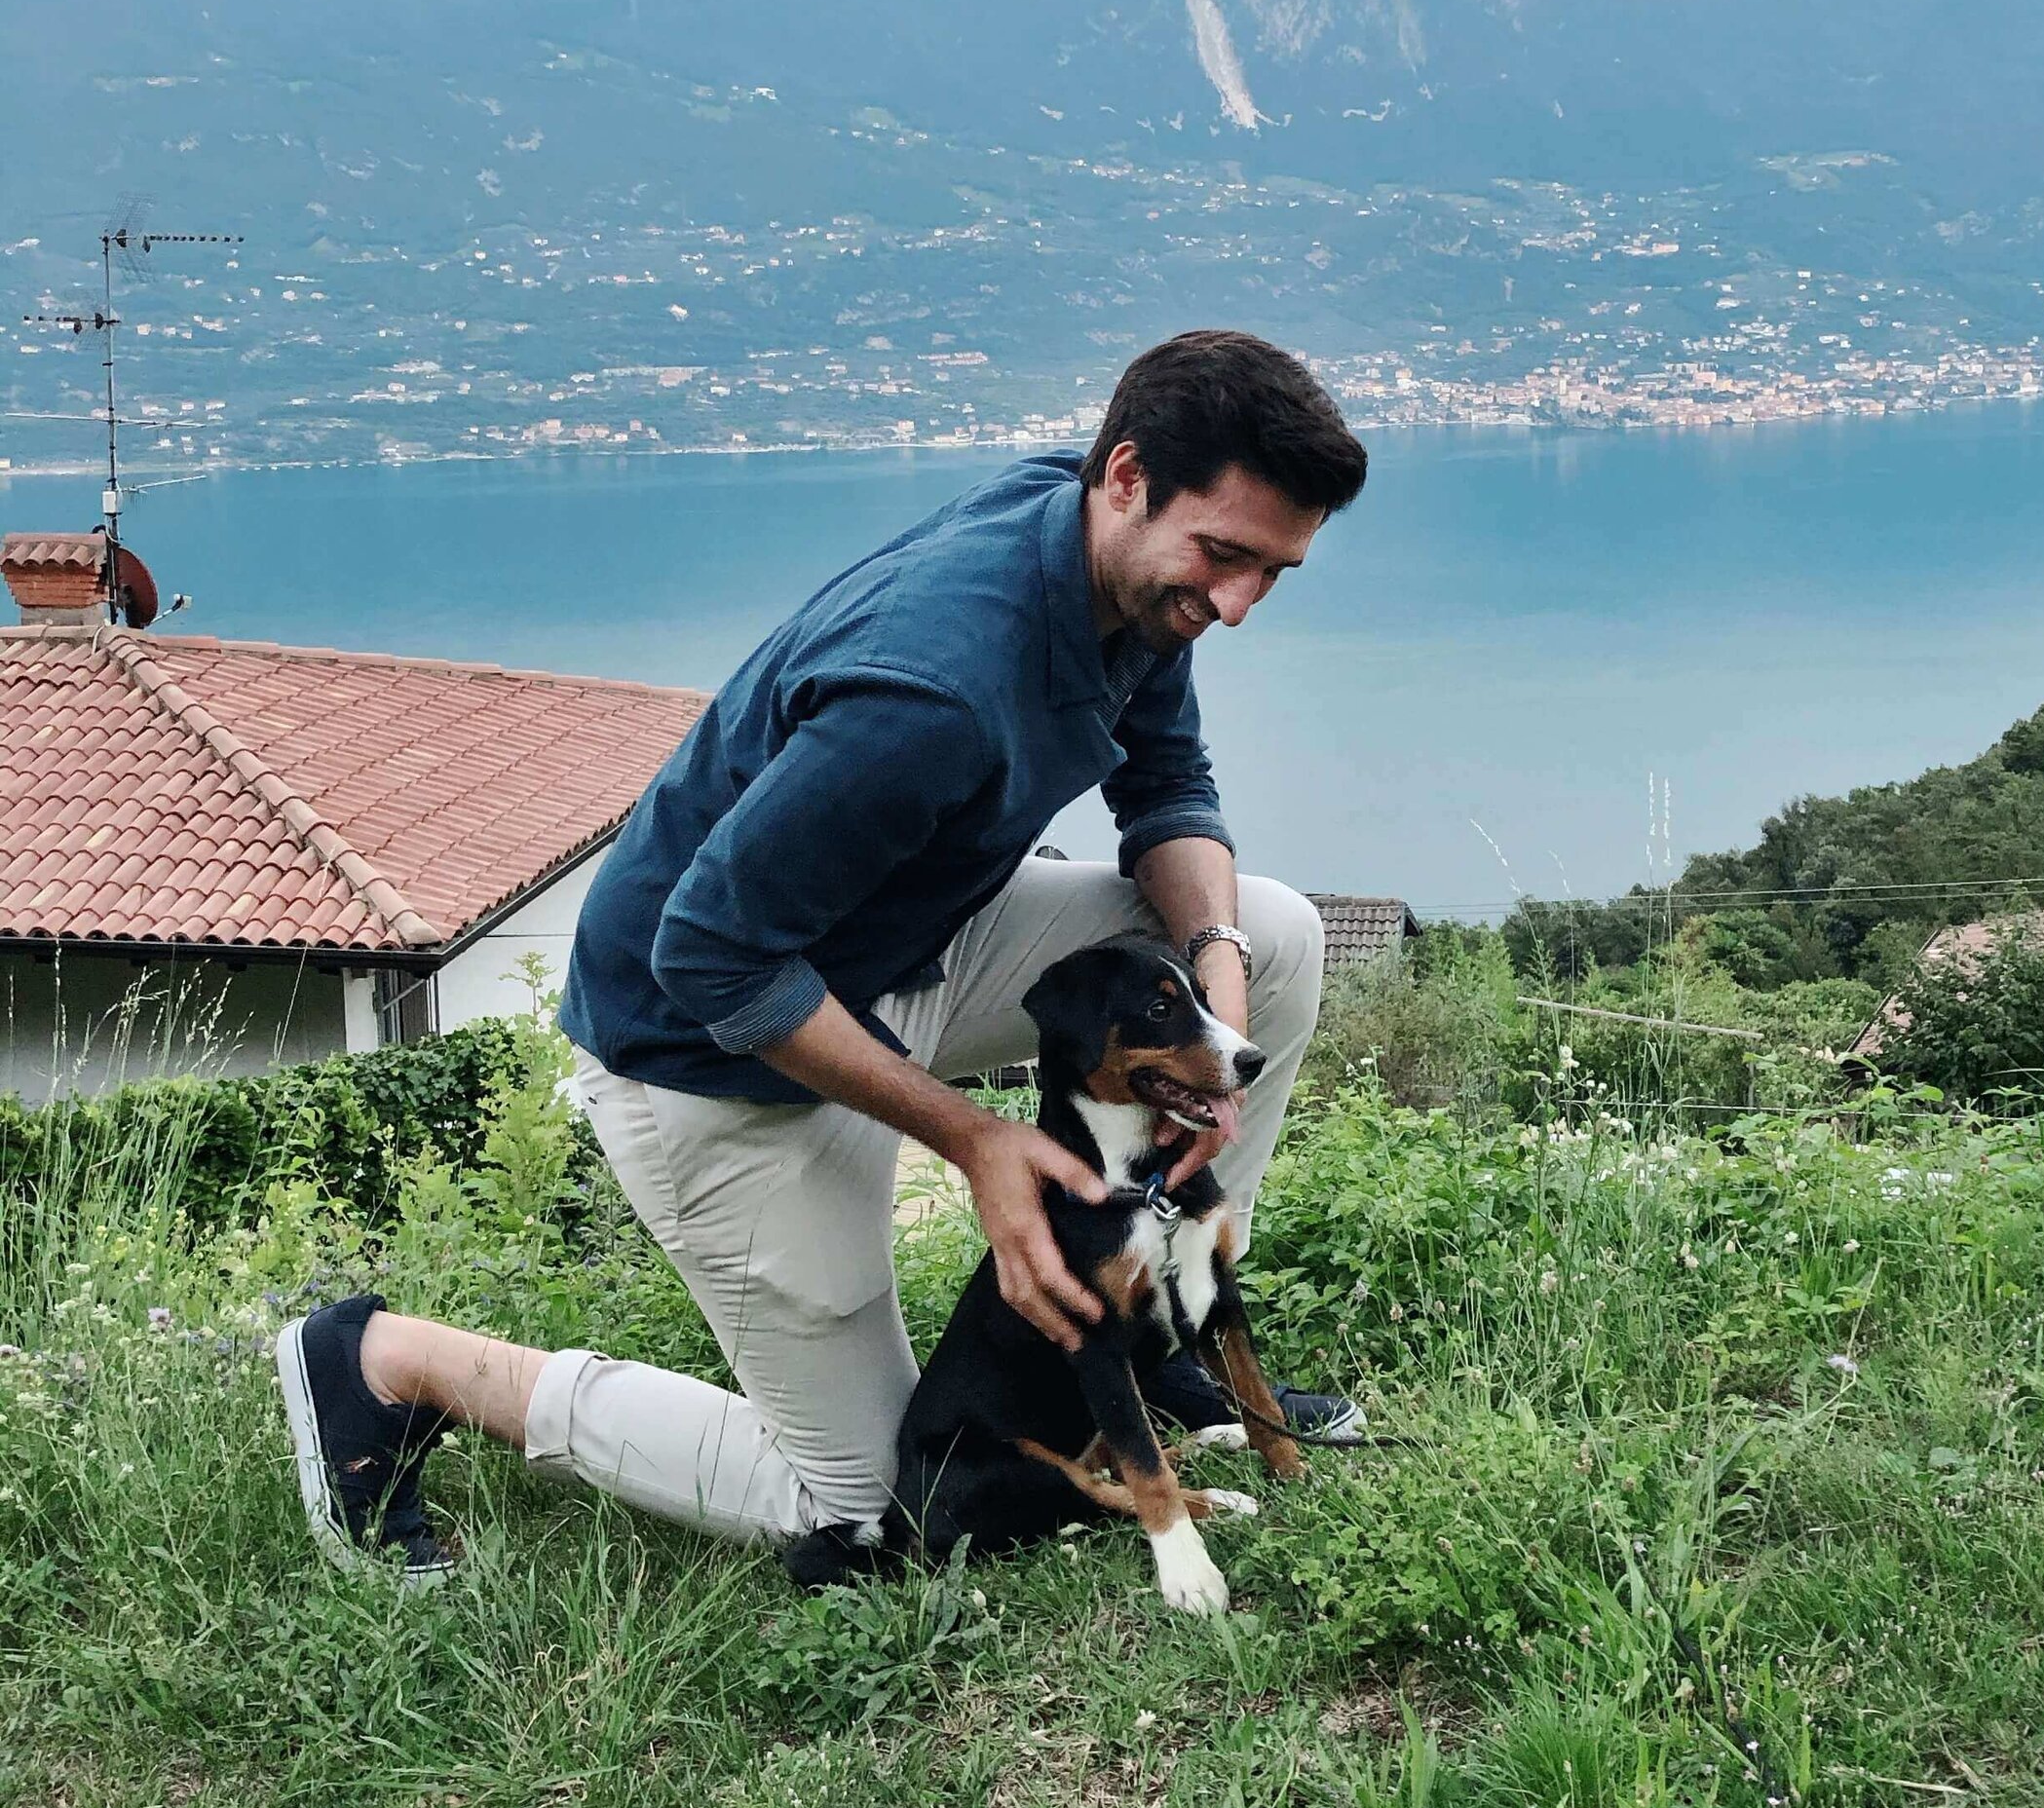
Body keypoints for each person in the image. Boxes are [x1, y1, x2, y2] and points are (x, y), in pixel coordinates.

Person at [275, 329, 1370, 1585]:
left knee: (1270, 935)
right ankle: (387, 1364)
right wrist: (975, 1140)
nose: (1233, 606)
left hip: (910, 947)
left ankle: (1150, 1313)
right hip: (711, 1047)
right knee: (870, 1509)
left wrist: (1211, 1041)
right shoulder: (939, 685)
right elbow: (714, 956)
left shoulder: (1105, 559)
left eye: (1270, 573)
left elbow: (1167, 790)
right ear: (1124, 475)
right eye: (1221, 557)